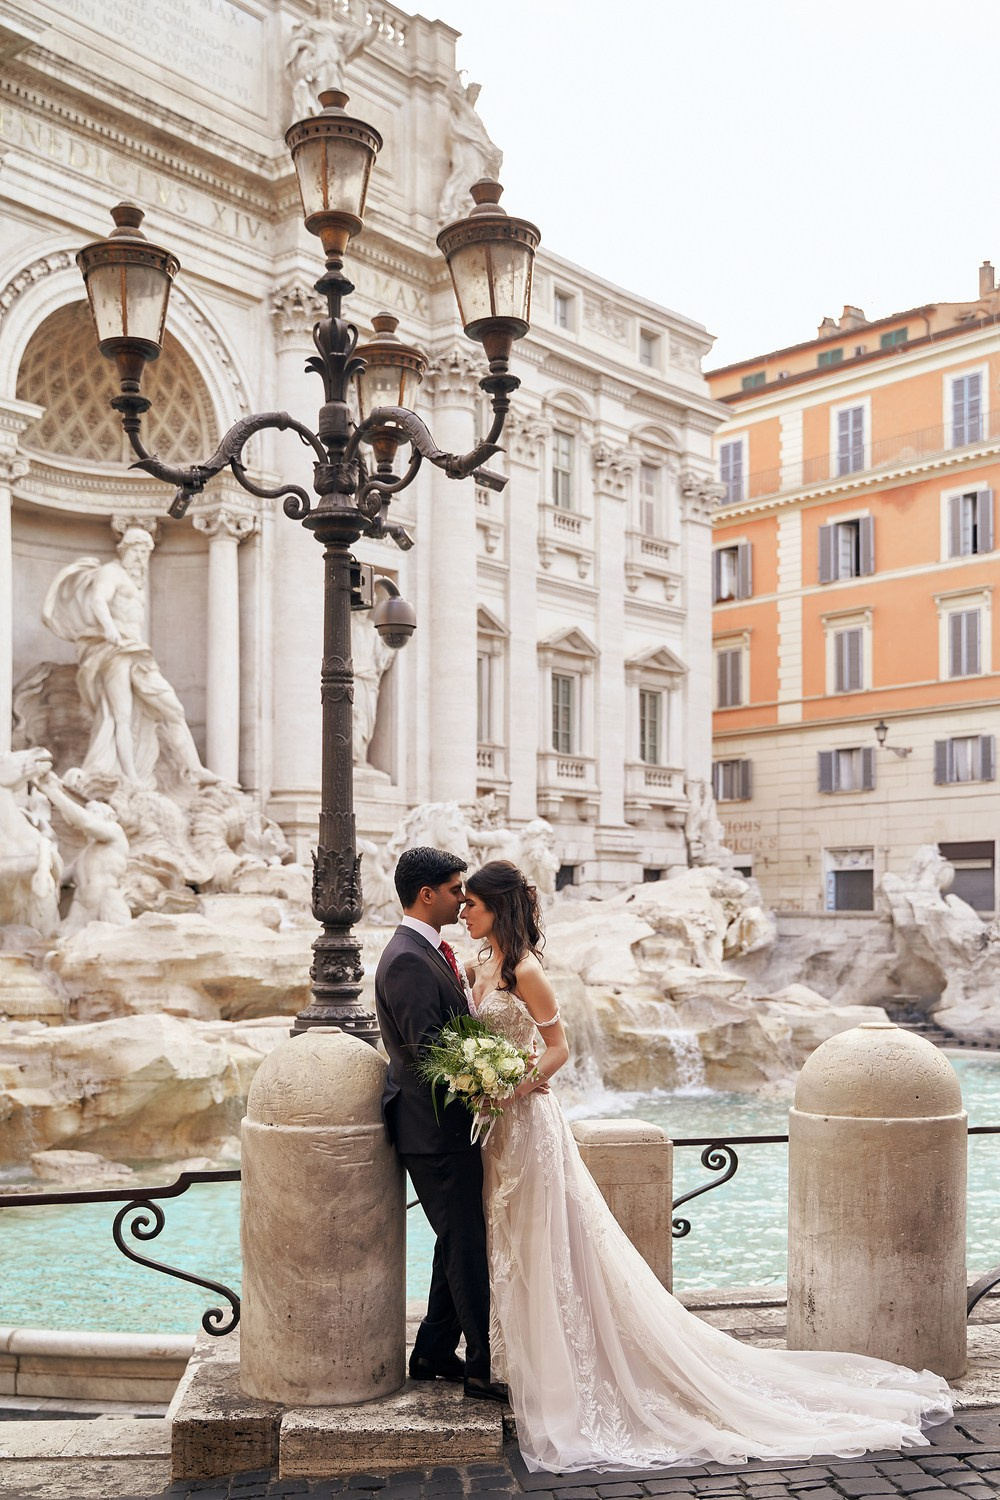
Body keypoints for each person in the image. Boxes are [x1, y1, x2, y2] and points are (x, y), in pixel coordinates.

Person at [460, 859, 953, 1474]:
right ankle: (515, 1361)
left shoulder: (527, 971)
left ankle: (560, 1371)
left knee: (545, 1239)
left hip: (528, 1122)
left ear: (497, 907)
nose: (463, 913)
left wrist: (512, 1088)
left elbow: (560, 1048)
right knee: (507, 1238)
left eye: (472, 905)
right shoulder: (477, 964)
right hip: (495, 1129)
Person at [373, 845, 507, 1403]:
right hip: (435, 1131)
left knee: (455, 1241)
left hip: (446, 1128)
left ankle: (431, 1350)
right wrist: (489, 1082)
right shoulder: (406, 957)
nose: (461, 899)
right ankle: (479, 1366)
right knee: (467, 1244)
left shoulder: (429, 951)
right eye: (455, 890)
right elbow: (428, 1050)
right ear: (426, 894)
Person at [42, 529, 219, 789]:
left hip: (137, 651)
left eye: (145, 553)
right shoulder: (111, 572)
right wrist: (110, 629)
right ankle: (130, 777)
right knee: (121, 716)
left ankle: (195, 768)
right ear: (125, 549)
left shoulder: (134, 580)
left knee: (174, 709)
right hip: (116, 651)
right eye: (137, 551)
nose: (141, 558)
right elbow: (98, 601)